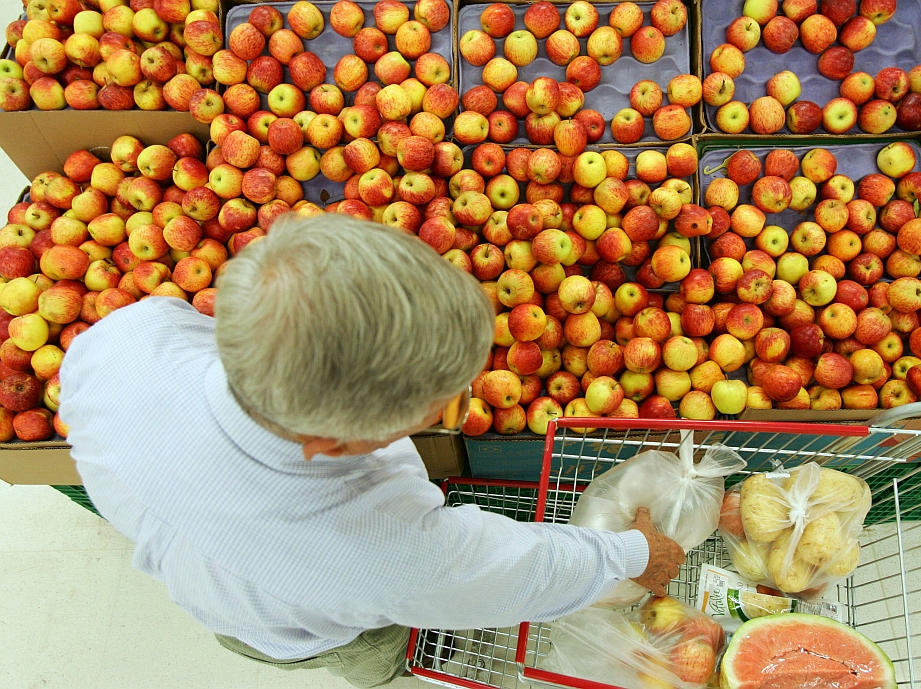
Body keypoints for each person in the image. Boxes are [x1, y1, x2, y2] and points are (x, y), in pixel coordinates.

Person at [59, 214, 686, 688]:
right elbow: (507, 570)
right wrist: (633, 554)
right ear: (335, 441)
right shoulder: (369, 547)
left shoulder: (128, 338)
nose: (462, 409)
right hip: (281, 626)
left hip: (192, 559)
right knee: (374, 654)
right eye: (444, 410)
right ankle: (389, 670)